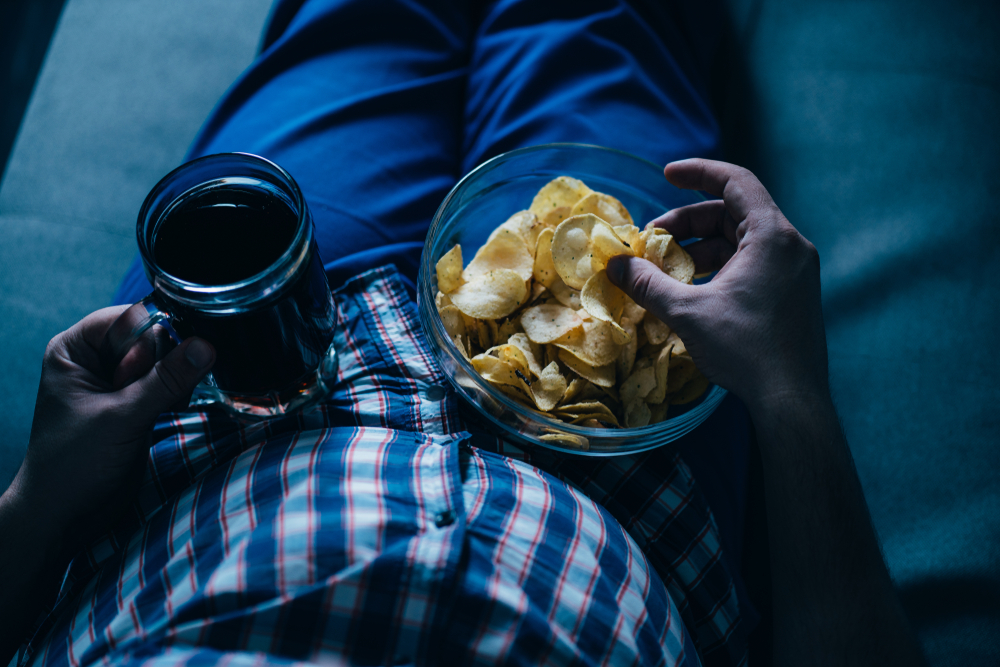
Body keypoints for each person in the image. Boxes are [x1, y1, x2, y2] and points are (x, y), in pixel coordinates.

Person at [0, 1, 925, 665]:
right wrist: (792, 388)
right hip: (634, 482)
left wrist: (39, 496)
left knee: (361, 21)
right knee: (592, 27)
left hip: (249, 370)